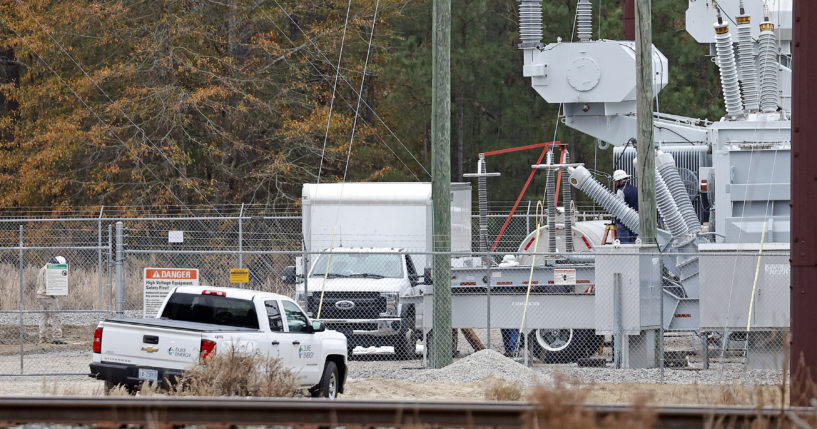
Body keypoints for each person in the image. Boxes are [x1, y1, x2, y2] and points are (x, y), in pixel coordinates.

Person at [36, 256, 66, 345]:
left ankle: (42, 337)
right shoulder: (50, 270)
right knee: (56, 316)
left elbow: (38, 283)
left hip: (40, 295)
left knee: (43, 317)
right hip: (48, 296)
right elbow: (49, 284)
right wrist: (55, 293)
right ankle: (57, 338)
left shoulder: (43, 268)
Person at [613, 169, 638, 243]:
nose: (615, 183)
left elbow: (619, 208)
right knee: (635, 246)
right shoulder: (636, 189)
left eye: (616, 181)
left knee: (625, 247)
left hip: (624, 224)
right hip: (635, 222)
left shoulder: (621, 191)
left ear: (620, 181)